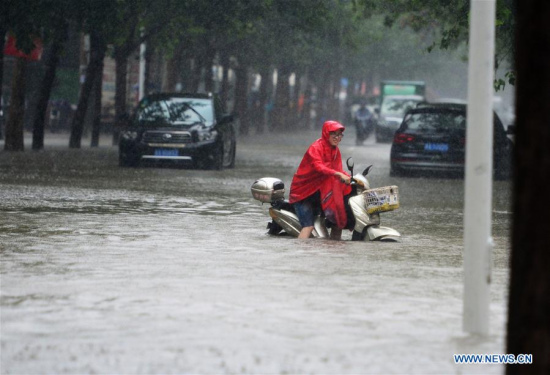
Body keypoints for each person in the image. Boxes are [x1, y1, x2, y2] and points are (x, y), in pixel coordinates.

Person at [289, 120, 352, 239]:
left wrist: (352, 178)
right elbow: (319, 167)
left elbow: (338, 170)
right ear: (326, 133)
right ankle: (299, 254)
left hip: (319, 192)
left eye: (339, 135)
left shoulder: (335, 151)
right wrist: (338, 174)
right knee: (308, 226)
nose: (337, 137)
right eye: (334, 134)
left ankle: (334, 249)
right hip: (303, 193)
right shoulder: (316, 148)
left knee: (337, 221)